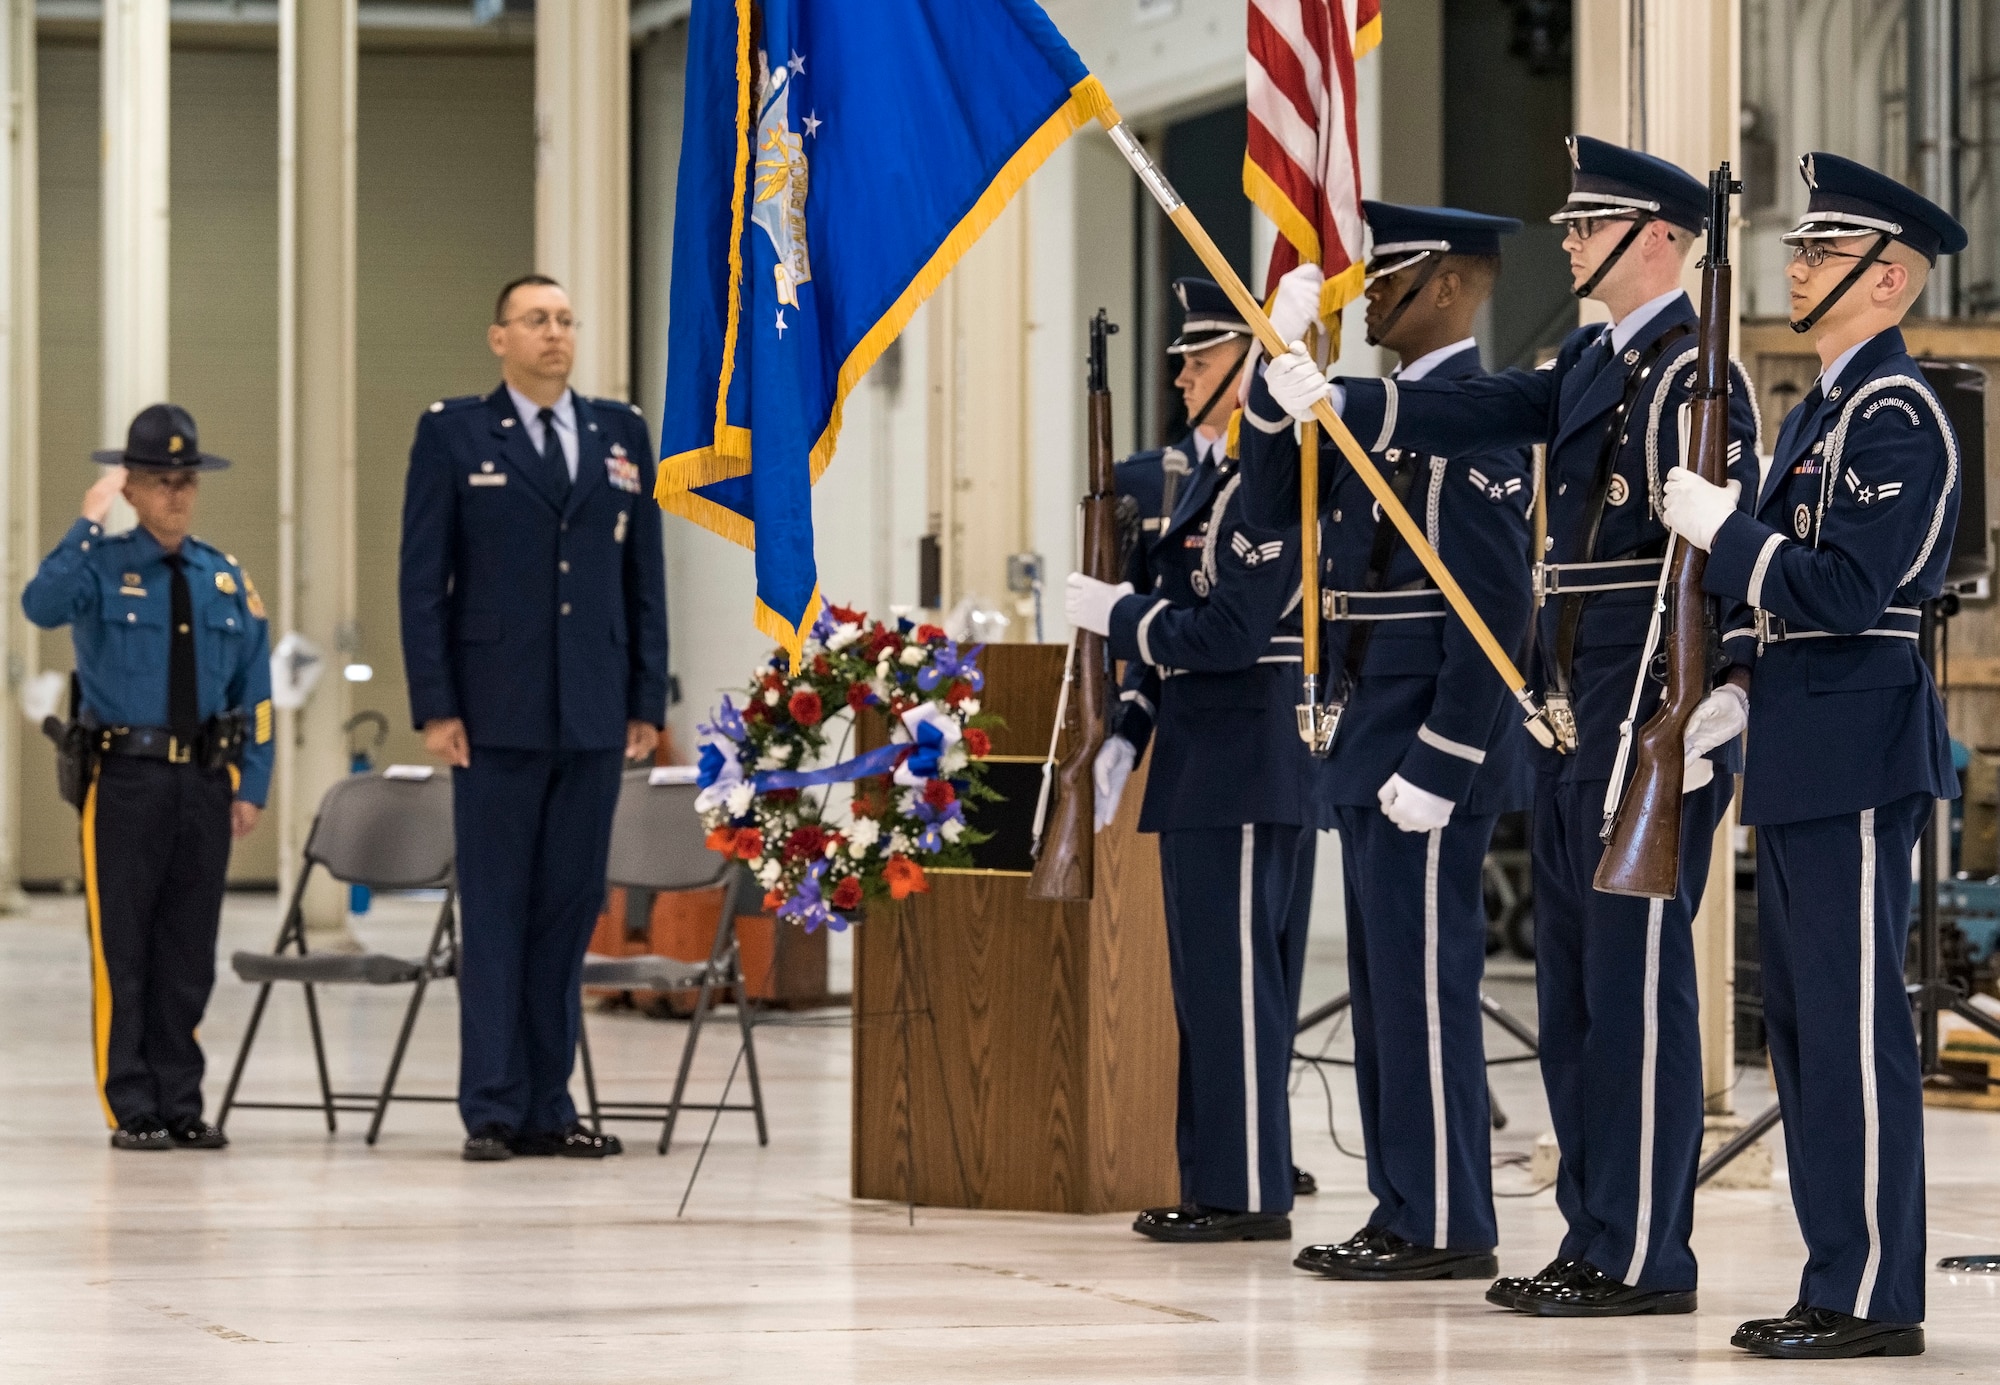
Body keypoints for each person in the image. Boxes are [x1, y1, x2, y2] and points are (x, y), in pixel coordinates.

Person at [1262, 136, 1759, 1315]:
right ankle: (1594, 1234)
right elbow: (1494, 404)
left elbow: (1714, 571)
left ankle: (1644, 1250)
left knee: (1636, 994)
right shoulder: (1594, 357)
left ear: (1658, 240)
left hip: (1648, 708)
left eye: (1588, 227)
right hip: (1574, 712)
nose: (1569, 241)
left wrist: (1721, 695)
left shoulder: (1699, 378)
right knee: (1576, 997)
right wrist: (1348, 400)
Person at [1658, 153, 1965, 1361]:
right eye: (1792, 249)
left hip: (1851, 744)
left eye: (1817, 253)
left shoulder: (1898, 414)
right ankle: (1832, 1272)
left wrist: (1727, 535)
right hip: (1796, 736)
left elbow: (1843, 588)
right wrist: (1733, 678)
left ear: (1883, 280)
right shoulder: (1818, 412)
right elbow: (1788, 598)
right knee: (1797, 1023)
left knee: (1849, 1025)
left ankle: (1874, 1290)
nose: (1793, 267)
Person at [1243, 203, 1534, 1282]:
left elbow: (1494, 605)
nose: (1363, 297)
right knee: (1381, 989)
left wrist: (1446, 757)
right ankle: (1402, 1203)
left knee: (1422, 987)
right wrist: (1272, 383)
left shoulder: (1474, 413)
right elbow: (1274, 501)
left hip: (1423, 743)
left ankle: (1450, 1217)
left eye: (1391, 276)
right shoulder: (1377, 407)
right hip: (1366, 733)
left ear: (1451, 287)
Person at [399, 273, 669, 1162]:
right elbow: (422, 582)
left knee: (567, 911)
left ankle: (551, 1104)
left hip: (592, 710)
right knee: (498, 913)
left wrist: (644, 696)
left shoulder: (620, 433)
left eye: (564, 319)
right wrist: (436, 706)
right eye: (536, 320)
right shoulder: (454, 433)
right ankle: (492, 1105)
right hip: (495, 714)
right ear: (499, 338)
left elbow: (644, 581)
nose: (555, 334)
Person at [1065, 278, 1314, 1242]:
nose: (1182, 374)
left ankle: (1249, 1189)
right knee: (1208, 986)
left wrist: (1122, 616)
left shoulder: (1268, 471)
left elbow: (1228, 632)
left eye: (1204, 359)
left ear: (1251, 368)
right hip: (1206, 757)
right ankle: (1216, 1176)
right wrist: (1127, 726)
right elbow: (1179, 638)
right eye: (1181, 359)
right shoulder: (1213, 474)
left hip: (1251, 755)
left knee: (1241, 986)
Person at [22, 404, 273, 1152]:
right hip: (124, 780)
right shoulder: (98, 568)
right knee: (123, 948)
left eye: (185, 480)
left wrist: (252, 781)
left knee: (188, 951)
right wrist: (85, 523)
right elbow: (39, 606)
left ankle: (181, 1098)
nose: (176, 494)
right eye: (159, 481)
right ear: (129, 487)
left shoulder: (224, 579)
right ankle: (131, 1101)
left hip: (203, 781)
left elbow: (255, 694)